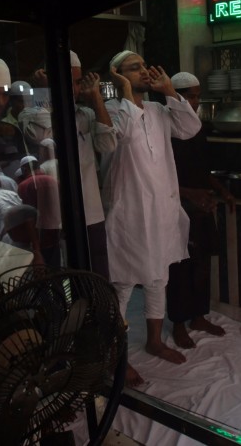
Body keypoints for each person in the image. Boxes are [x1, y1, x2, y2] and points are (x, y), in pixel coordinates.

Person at [101, 50, 202, 386]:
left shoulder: (159, 109)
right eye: (135, 68)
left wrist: (170, 91)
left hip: (161, 209)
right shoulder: (111, 111)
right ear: (117, 76)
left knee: (160, 275)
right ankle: (115, 357)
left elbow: (190, 128)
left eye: (145, 65)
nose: (144, 71)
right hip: (130, 213)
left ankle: (154, 340)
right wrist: (125, 93)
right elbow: (125, 135)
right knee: (124, 284)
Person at [167, 72, 232, 349]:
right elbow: (160, 177)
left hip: (201, 204)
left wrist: (222, 190)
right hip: (176, 206)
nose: (195, 101)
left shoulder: (197, 127)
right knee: (179, 266)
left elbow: (202, 169)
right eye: (190, 96)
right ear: (176, 97)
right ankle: (179, 324)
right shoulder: (166, 129)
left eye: (197, 96)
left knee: (202, 262)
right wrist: (189, 194)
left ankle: (198, 316)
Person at [70, 50, 117, 280]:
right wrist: (44, 94)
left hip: (91, 209)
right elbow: (40, 134)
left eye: (77, 83)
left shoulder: (86, 115)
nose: (74, 89)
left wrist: (96, 97)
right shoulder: (34, 115)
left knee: (98, 275)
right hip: (61, 214)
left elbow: (108, 144)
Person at [17, 155, 62, 268]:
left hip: (39, 239)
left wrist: (36, 248)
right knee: (57, 272)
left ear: (24, 169)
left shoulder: (24, 185)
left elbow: (28, 216)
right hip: (57, 234)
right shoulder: (54, 181)